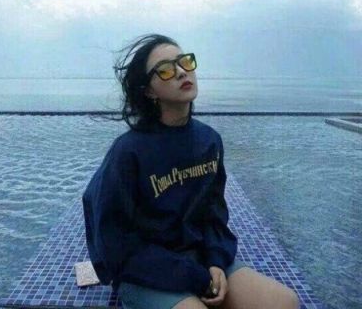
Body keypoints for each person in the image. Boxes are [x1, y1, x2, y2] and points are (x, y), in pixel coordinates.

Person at [82, 34, 300, 309]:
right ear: (149, 91)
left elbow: (214, 216)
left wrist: (216, 261)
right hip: (147, 272)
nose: (181, 71)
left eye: (184, 62)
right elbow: (114, 240)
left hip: (200, 259)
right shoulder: (128, 152)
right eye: (165, 69)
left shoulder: (209, 141)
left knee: (285, 302)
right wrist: (194, 277)